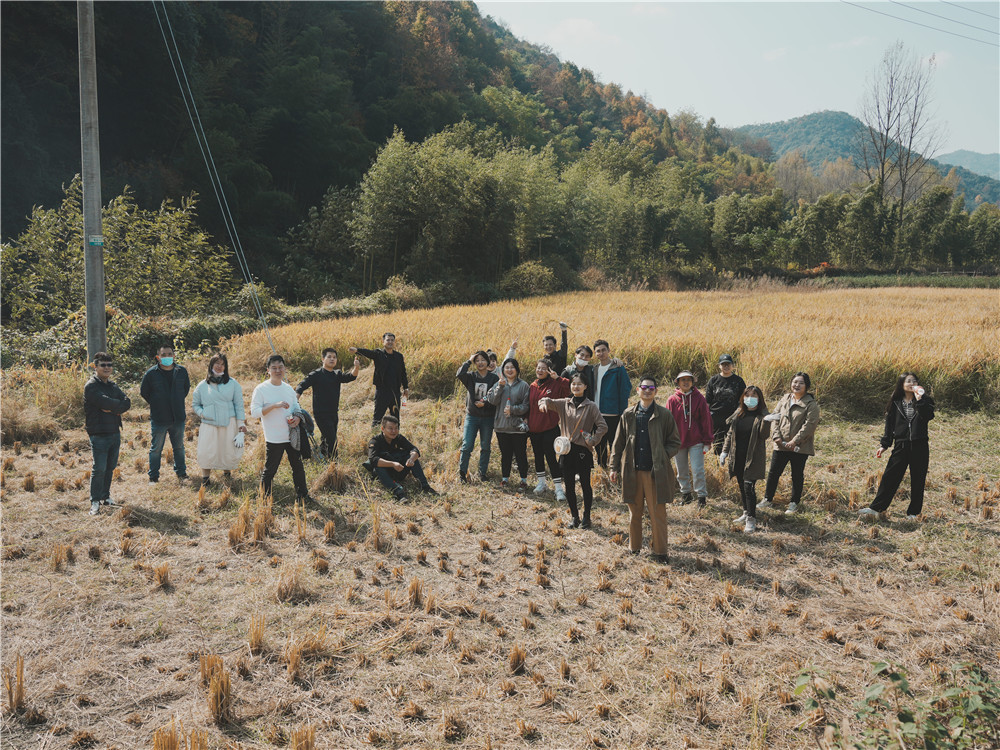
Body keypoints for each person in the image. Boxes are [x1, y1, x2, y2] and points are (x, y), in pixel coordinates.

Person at [609, 376, 681, 562]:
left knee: (658, 513)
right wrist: (613, 467)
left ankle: (660, 552)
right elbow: (618, 443)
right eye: (644, 387)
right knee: (634, 512)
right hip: (632, 472)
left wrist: (661, 455)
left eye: (651, 388)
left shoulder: (664, 415)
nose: (647, 391)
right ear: (638, 390)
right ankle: (634, 548)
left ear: (656, 391)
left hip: (655, 473)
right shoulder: (628, 414)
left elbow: (675, 442)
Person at [859, 373, 935, 520]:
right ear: (902, 384)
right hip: (901, 444)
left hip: (920, 445)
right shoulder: (895, 402)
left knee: (918, 479)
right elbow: (889, 426)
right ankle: (876, 508)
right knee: (890, 477)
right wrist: (884, 445)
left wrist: (920, 400)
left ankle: (914, 513)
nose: (912, 383)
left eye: (914, 381)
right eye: (908, 381)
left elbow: (928, 416)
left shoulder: (925, 400)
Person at [539, 373, 607, 527]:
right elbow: (545, 400)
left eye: (579, 384)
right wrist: (543, 404)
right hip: (566, 450)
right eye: (573, 384)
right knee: (569, 485)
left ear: (585, 387)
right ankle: (574, 517)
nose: (576, 387)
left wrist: (593, 440)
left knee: (585, 484)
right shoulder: (564, 403)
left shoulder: (591, 406)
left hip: (583, 450)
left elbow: (603, 426)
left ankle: (586, 517)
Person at [250, 354, 312, 502]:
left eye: (280, 367)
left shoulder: (288, 388)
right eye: (274, 368)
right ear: (268, 370)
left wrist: (297, 418)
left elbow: (297, 407)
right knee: (270, 470)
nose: (278, 371)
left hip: (292, 435)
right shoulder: (261, 389)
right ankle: (265, 499)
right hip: (274, 437)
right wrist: (274, 405)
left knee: (298, 467)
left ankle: (303, 496)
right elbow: (254, 412)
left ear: (285, 369)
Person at [758, 372, 820, 515]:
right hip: (780, 445)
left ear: (807, 386)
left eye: (801, 383)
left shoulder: (811, 404)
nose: (797, 385)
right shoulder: (785, 398)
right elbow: (775, 417)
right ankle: (767, 499)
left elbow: (809, 425)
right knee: (774, 473)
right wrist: (776, 437)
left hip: (799, 447)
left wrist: (794, 441)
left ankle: (794, 503)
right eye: (795, 382)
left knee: (796, 474)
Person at [83, 352, 131, 515]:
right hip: (98, 433)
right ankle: (95, 501)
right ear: (95, 367)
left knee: (110, 467)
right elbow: (104, 402)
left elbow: (127, 402)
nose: (107, 368)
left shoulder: (112, 385)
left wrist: (112, 408)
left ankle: (105, 496)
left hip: (114, 431)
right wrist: (116, 406)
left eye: (109, 365)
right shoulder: (91, 386)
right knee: (99, 468)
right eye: (103, 365)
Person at [719, 386, 769, 533]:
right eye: (747, 395)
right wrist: (724, 451)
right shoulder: (739, 413)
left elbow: (764, 435)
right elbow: (730, 433)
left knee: (749, 488)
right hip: (737, 456)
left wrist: (767, 421)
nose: (750, 398)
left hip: (752, 458)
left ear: (759, 399)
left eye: (754, 396)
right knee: (742, 485)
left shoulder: (762, 416)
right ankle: (746, 511)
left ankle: (751, 520)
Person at [192, 354, 246, 487]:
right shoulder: (202, 385)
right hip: (209, 422)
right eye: (217, 363)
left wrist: (241, 423)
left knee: (227, 448)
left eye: (222, 364)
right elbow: (195, 404)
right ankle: (205, 478)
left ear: (225, 367)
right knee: (207, 449)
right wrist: (202, 413)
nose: (219, 366)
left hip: (229, 421)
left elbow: (239, 405)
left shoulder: (233, 384)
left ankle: (227, 474)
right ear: (211, 365)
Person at [295, 348, 360, 458]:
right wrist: (296, 399)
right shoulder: (316, 374)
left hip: (333, 412)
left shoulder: (337, 374)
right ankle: (334, 461)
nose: (332, 359)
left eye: (334, 357)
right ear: (323, 359)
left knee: (327, 437)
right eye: (329, 357)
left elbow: (351, 377)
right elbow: (302, 385)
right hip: (321, 413)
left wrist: (356, 367)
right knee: (332, 439)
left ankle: (323, 455)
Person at [140, 343, 191, 485]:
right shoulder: (151, 374)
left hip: (178, 417)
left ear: (174, 356)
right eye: (163, 355)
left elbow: (185, 389)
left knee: (179, 447)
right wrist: (157, 403)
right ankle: (153, 477)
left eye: (169, 354)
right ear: (158, 357)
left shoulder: (181, 371)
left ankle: (181, 473)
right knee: (156, 449)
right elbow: (144, 392)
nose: (167, 357)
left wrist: (175, 400)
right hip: (159, 418)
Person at [666, 370, 714, 507]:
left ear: (693, 382)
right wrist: (668, 441)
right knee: (681, 471)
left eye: (688, 380)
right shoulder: (672, 400)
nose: (686, 382)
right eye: (683, 380)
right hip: (678, 441)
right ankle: (686, 495)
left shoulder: (699, 398)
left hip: (696, 441)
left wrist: (707, 441)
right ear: (678, 382)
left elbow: (706, 421)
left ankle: (701, 498)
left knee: (698, 470)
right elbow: (667, 422)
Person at [365, 415, 438, 500]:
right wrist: (393, 464)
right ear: (383, 429)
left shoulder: (399, 438)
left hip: (399, 469)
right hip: (385, 474)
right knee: (378, 467)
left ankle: (425, 487)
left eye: (396, 428)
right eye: (390, 428)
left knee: (411, 457)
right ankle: (398, 493)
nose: (394, 431)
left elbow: (414, 449)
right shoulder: (375, 441)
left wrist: (411, 459)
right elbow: (373, 459)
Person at [484, 357, 530, 490]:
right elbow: (492, 401)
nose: (509, 370)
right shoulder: (498, 384)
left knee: (521, 454)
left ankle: (523, 480)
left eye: (512, 367)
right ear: (503, 370)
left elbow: (526, 406)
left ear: (517, 370)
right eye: (507, 368)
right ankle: (505, 479)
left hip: (518, 427)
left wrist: (513, 410)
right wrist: (500, 386)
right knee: (505, 454)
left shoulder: (524, 386)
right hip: (501, 426)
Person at [527, 359, 570, 498]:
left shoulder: (556, 384)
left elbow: (569, 390)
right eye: (538, 368)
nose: (540, 370)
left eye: (543, 368)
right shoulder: (532, 386)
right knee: (538, 457)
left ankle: (558, 489)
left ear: (549, 370)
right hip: (534, 428)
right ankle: (541, 483)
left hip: (549, 428)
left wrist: (558, 378)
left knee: (551, 458)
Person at [456, 350, 500, 482]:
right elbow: (459, 374)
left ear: (488, 362)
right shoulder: (471, 376)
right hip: (472, 416)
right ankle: (462, 474)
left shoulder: (494, 378)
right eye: (477, 360)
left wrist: (485, 403)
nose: (480, 363)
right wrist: (468, 361)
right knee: (467, 445)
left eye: (483, 360)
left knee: (485, 446)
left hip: (488, 417)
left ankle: (482, 473)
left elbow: (496, 396)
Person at [349, 333, 408, 427]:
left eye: (392, 340)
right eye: (388, 340)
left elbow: (403, 373)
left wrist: (406, 387)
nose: (390, 342)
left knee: (395, 418)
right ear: (383, 341)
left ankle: (395, 434)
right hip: (382, 391)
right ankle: (375, 434)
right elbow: (369, 353)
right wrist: (357, 350)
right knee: (377, 418)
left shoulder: (399, 356)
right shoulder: (378, 354)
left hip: (395, 392)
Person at [591, 340, 632, 468]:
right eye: (598, 351)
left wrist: (622, 412)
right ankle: (602, 468)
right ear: (595, 354)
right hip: (596, 413)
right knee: (599, 444)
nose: (601, 353)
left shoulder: (617, 368)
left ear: (609, 351)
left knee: (614, 442)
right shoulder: (594, 369)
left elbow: (625, 389)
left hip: (613, 413)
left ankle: (616, 469)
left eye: (603, 350)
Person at [706, 354, 747, 455]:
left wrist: (738, 413)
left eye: (728, 364)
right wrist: (707, 417)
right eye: (723, 364)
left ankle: (731, 462)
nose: (726, 366)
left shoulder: (738, 381)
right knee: (717, 445)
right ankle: (718, 463)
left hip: (733, 417)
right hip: (716, 417)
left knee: (733, 444)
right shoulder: (713, 380)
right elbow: (708, 401)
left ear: (732, 365)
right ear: (719, 366)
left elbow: (743, 399)